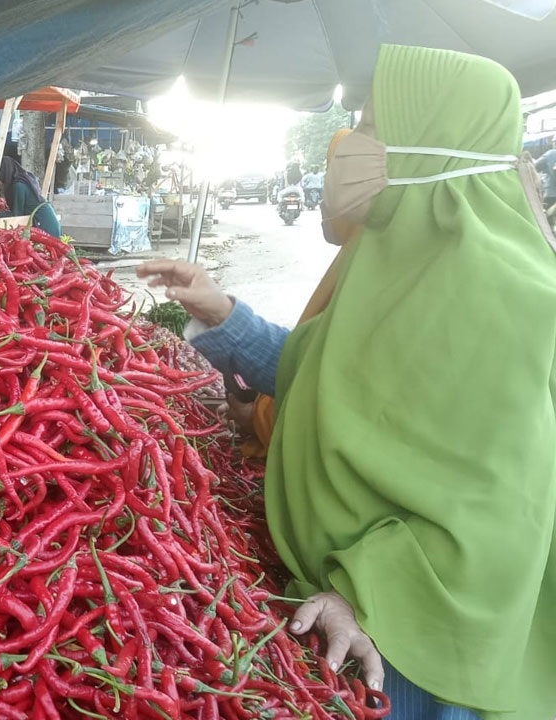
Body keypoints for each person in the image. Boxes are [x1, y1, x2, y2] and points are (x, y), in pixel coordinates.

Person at [139, 45, 556, 720]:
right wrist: (222, 314)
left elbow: (501, 511)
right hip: (337, 605)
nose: (350, 146)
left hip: (413, 639)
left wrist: (368, 597)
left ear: (433, 144)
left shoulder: (511, 299)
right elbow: (322, 372)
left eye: (371, 128)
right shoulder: (392, 259)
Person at [0, 156, 62, 237]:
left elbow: (16, 216)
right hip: (47, 219)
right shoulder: (23, 179)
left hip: (44, 223)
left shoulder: (19, 185)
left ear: (4, 173)